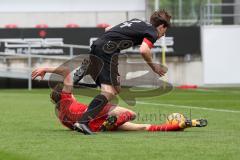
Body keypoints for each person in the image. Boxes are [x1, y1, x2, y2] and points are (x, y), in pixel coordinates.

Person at [73, 10, 171, 134]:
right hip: (107, 51)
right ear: (162, 26)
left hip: (98, 47)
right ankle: (83, 122)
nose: (163, 35)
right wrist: (154, 67)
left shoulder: (137, 22)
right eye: (164, 32)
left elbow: (108, 29)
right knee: (108, 92)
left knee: (116, 89)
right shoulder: (152, 32)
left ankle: (89, 67)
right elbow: (144, 50)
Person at [32, 67, 207, 134]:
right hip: (91, 115)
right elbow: (66, 72)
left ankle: (182, 124)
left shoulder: (61, 117)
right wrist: (46, 69)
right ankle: (184, 123)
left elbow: (72, 127)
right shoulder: (66, 96)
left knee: (142, 128)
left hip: (95, 127)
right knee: (132, 114)